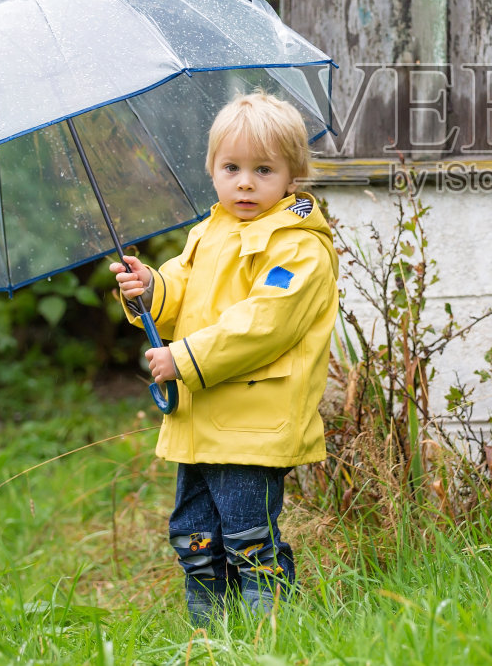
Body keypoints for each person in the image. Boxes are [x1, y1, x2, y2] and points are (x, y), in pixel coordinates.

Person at [110, 89, 339, 624]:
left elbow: (264, 323)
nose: (244, 182)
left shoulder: (298, 245)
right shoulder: (206, 234)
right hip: (200, 421)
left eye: (263, 169)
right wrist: (148, 289)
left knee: (248, 537)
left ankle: (270, 634)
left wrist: (183, 358)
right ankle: (210, 634)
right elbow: (179, 295)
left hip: (253, 425)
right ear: (212, 168)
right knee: (195, 537)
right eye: (231, 167)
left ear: (292, 177)